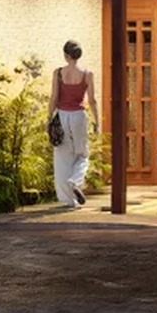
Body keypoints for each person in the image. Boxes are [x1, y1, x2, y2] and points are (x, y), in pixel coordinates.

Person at [50, 40, 97, 207]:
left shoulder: (58, 73)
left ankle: (68, 200)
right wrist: (97, 121)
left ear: (65, 55)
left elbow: (54, 98)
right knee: (82, 154)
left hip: (62, 115)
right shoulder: (87, 74)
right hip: (78, 116)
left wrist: (49, 118)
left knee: (62, 158)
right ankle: (75, 181)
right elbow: (92, 100)